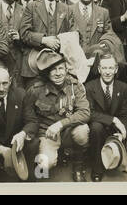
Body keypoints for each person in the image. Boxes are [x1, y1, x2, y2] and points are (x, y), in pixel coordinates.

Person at [23, 50, 92, 181]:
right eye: (53, 70)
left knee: (82, 132)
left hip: (68, 131)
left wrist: (60, 124)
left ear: (66, 70)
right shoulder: (35, 90)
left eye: (61, 68)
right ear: (47, 73)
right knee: (43, 167)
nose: (58, 73)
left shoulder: (75, 86)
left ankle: (78, 166)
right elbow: (28, 117)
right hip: (47, 134)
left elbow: (85, 112)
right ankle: (56, 157)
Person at [84, 54, 127, 181]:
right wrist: (113, 120)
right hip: (97, 130)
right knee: (96, 127)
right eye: (104, 68)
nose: (107, 72)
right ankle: (97, 168)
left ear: (116, 69)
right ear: (99, 69)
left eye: (111, 68)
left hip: (114, 131)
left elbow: (125, 114)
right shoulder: (89, 87)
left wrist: (123, 132)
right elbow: (89, 113)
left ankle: (114, 158)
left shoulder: (123, 87)